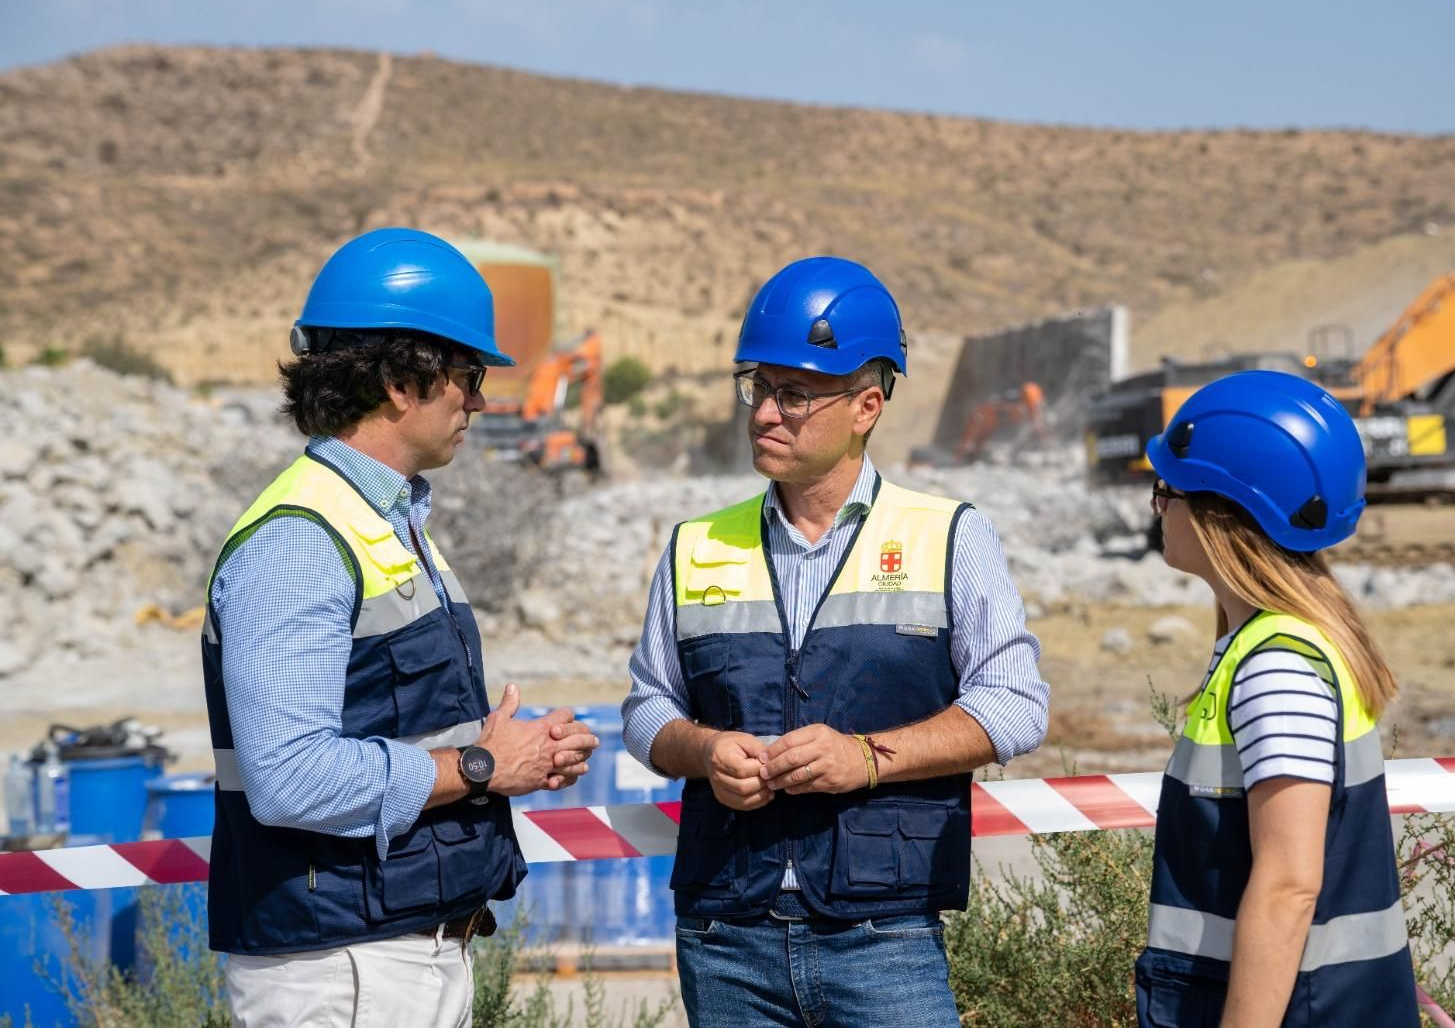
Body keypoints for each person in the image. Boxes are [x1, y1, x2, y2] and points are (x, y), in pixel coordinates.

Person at [622, 256, 1050, 1027]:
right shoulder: (694, 546)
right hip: (724, 937)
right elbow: (647, 711)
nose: (764, 413)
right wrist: (704, 751)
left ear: (867, 405)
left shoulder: (950, 537)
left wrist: (865, 758)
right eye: (757, 387)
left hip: (886, 937)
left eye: (794, 394)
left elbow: (1015, 708)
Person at [201, 228, 599, 1027]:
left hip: (390, 951)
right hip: (340, 966)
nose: (480, 401)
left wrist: (506, 752)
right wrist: (483, 764)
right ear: (396, 381)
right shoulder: (300, 541)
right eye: (468, 375)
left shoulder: (386, 521)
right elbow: (291, 779)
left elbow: (381, 718)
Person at [1136, 370, 1417, 1027]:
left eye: (1166, 491)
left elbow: (1289, 886)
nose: (1158, 510)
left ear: (1223, 514)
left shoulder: (1277, 668)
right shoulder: (1272, 646)